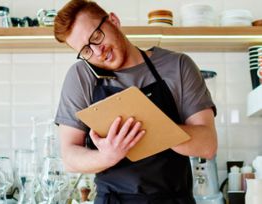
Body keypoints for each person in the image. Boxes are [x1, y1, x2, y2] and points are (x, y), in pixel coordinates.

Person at [53, 0, 218, 203]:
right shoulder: (81, 76)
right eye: (86, 51)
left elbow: (208, 145)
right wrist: (108, 156)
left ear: (113, 20)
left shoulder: (177, 66)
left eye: (96, 37)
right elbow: (69, 156)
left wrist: (155, 127)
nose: (97, 52)